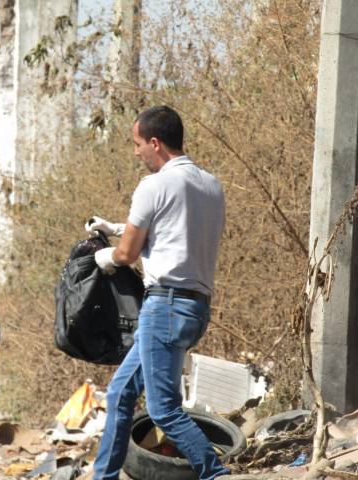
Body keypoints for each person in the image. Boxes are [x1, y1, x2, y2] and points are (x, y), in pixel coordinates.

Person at [85, 105, 228, 480]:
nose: (135, 153)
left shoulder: (153, 185)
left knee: (164, 410)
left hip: (164, 307)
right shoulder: (211, 185)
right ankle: (104, 476)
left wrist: (104, 257)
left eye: (137, 145)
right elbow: (173, 230)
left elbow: (128, 254)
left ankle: (217, 474)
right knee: (119, 394)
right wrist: (116, 226)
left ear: (154, 142)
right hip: (194, 307)